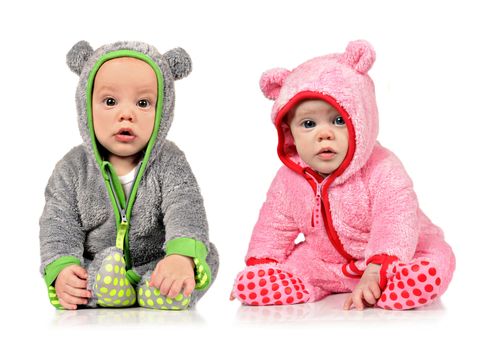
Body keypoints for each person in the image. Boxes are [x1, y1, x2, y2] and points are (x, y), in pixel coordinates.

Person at [231, 40, 455, 310]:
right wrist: (261, 263)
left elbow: (395, 218)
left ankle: (401, 281)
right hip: (331, 265)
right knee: (300, 263)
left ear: (361, 119)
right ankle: (285, 281)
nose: (324, 133)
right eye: (309, 124)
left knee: (433, 256)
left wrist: (377, 268)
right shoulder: (289, 180)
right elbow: (273, 225)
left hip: (397, 254)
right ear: (289, 130)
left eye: (338, 120)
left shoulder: (383, 167)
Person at [40, 41, 218, 310]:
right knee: (82, 274)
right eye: (110, 101)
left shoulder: (170, 161)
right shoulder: (72, 168)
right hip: (98, 264)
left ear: (163, 110)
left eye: (143, 103)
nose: (127, 114)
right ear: (86, 106)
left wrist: (180, 256)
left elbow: (186, 207)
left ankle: (156, 288)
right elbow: (58, 223)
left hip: (157, 264)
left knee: (206, 254)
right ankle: (105, 288)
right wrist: (62, 268)